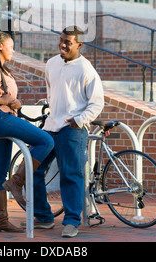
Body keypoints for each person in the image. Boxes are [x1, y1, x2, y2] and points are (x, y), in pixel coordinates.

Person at [0, 31, 54, 233]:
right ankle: (17, 182)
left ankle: (0, 220)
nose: (13, 50)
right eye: (11, 46)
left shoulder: (1, 69)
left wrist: (11, 102)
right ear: (0, 46)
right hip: (0, 118)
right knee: (46, 141)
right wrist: (8, 102)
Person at [30, 26, 104, 238]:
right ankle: (44, 216)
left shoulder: (86, 69)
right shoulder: (51, 63)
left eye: (67, 42)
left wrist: (79, 119)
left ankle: (72, 221)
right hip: (50, 127)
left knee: (71, 175)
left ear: (79, 45)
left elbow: (97, 103)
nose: (62, 45)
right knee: (32, 169)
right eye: (61, 40)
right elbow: (52, 92)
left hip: (72, 129)